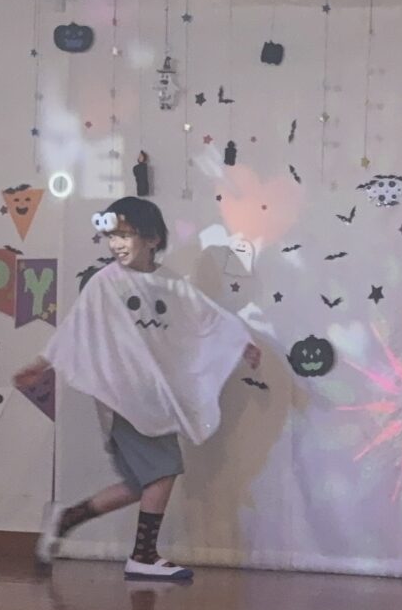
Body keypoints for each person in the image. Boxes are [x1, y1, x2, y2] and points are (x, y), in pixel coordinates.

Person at [20, 197, 259, 583]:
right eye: (112, 235)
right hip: (126, 399)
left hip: (153, 399)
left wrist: (240, 342)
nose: (116, 243)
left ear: (152, 239)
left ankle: (67, 518)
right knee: (164, 472)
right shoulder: (106, 282)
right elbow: (76, 327)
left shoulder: (170, 284)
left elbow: (206, 318)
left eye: (125, 234)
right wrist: (42, 362)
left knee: (140, 484)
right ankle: (143, 556)